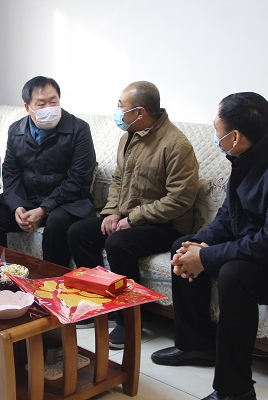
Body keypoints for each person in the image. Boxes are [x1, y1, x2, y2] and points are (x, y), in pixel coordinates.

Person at [151, 92, 268, 400]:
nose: (215, 134)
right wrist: (199, 245)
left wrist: (207, 256)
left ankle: (235, 390)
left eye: (217, 129)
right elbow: (229, 216)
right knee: (183, 246)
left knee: (235, 275)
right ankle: (196, 345)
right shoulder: (251, 155)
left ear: (235, 136)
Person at [67, 81, 199, 348]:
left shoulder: (176, 144)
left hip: (166, 225)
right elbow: (118, 180)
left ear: (139, 112)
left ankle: (129, 321)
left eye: (121, 107)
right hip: (129, 216)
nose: (118, 112)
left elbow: (179, 199)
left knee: (118, 243)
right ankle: (101, 304)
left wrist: (133, 219)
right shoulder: (128, 135)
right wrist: (111, 212)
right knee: (78, 232)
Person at [0, 76, 96, 267]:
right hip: (28, 199)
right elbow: (10, 173)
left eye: (53, 102)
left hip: (67, 203)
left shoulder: (78, 129)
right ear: (27, 107)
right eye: (41, 104)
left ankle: (52, 277)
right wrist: (17, 207)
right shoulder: (16, 129)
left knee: (57, 223)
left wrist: (44, 209)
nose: (49, 108)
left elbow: (79, 178)